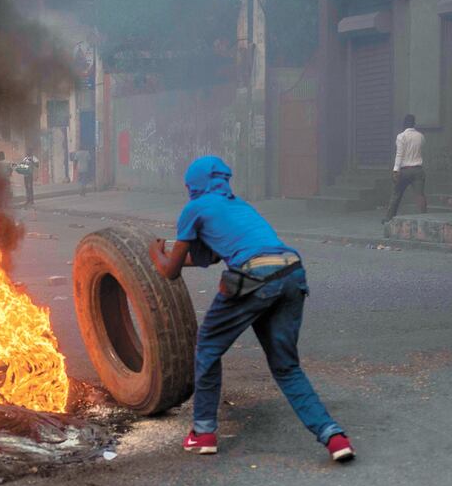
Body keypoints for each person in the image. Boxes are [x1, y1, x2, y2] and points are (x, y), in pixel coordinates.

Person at [148, 156, 354, 463]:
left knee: (208, 348)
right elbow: (211, 257)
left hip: (254, 277)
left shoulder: (195, 208)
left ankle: (203, 432)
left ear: (193, 184)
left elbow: (170, 270)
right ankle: (334, 437)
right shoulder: (241, 206)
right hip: (291, 272)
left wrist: (155, 252)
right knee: (286, 367)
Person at [383, 114, 426, 223]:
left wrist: (395, 170)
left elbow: (399, 154)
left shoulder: (401, 136)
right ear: (414, 123)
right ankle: (425, 217)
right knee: (420, 195)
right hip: (418, 170)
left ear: (404, 124)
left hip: (404, 171)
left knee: (396, 194)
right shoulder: (421, 136)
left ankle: (389, 217)